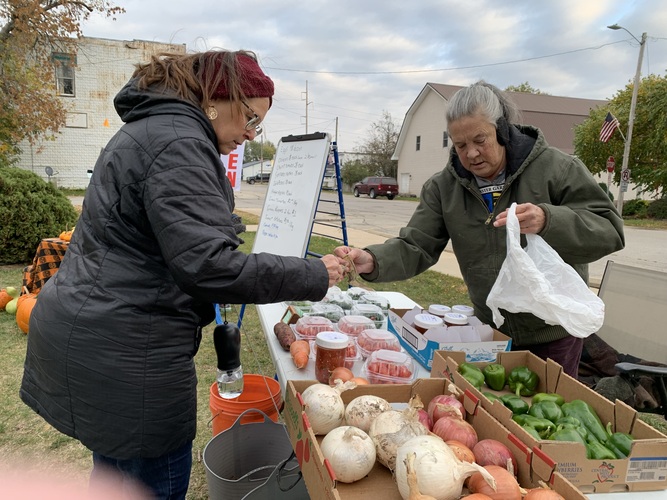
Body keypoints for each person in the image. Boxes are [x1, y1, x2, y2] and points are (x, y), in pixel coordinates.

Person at [20, 50, 348, 499]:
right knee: (150, 482)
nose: (250, 135)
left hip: (101, 338)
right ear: (217, 99)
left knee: (117, 480)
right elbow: (208, 267)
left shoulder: (155, 129)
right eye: (250, 118)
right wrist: (313, 273)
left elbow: (166, 239)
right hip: (128, 353)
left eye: (259, 125)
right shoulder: (179, 141)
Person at [335, 81, 624, 377]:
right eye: (460, 145)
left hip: (552, 333)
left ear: (501, 130)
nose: (471, 153)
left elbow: (609, 229)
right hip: (488, 331)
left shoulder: (557, 168)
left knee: (544, 417)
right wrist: (372, 259)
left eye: (480, 140)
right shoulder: (443, 187)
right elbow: (417, 245)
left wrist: (549, 220)